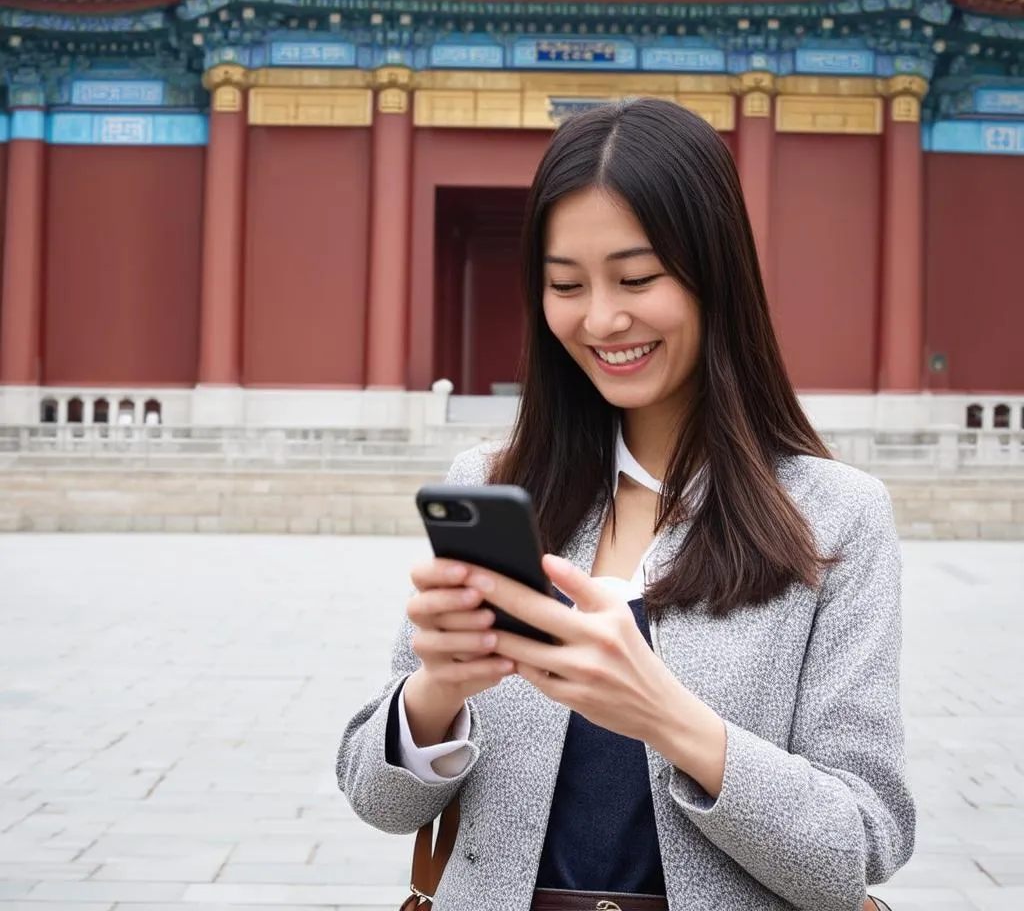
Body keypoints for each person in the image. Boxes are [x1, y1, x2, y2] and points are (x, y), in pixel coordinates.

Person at [338, 98, 916, 911]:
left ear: (715, 273)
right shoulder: (496, 484)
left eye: (637, 279)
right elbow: (378, 800)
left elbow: (861, 846)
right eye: (565, 285)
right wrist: (436, 692)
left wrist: (670, 718)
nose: (602, 319)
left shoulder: (835, 516)